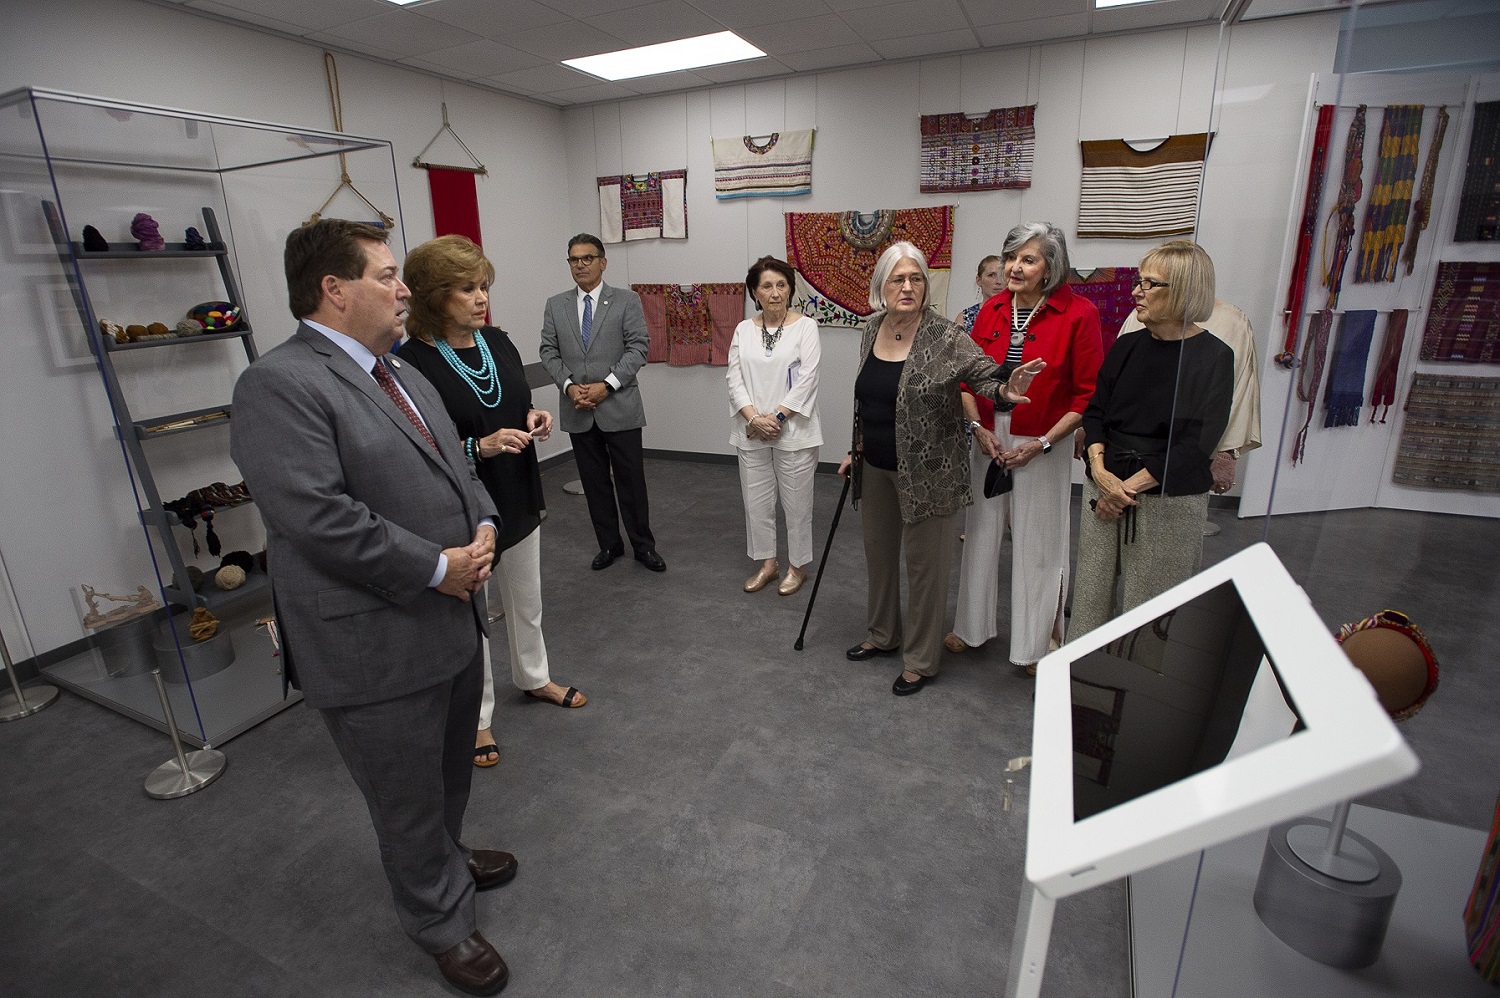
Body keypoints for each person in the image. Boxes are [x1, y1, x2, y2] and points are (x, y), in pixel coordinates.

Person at [230, 220, 515, 996]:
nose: (403, 289)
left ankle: (445, 862)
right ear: (334, 288)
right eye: (388, 275)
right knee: (404, 793)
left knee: (448, 773)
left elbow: (456, 465)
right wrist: (436, 565)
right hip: (373, 644)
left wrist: (484, 525)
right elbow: (315, 516)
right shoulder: (278, 383)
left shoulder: (403, 370)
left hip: (446, 619)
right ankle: (440, 922)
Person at [399, 235, 587, 771]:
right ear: (434, 296)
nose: (481, 298)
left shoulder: (497, 342)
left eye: (483, 286)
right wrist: (477, 446)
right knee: (473, 615)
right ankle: (478, 715)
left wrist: (533, 419)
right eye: (466, 288)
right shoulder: (410, 363)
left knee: (526, 598)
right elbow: (417, 445)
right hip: (460, 504)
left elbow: (516, 401)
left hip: (517, 488)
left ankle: (533, 676)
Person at [837, 242, 1044, 696]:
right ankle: (881, 634)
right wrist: (856, 449)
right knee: (878, 555)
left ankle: (920, 659)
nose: (908, 288)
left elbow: (986, 376)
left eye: (916, 279)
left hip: (931, 473)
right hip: (875, 467)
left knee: (926, 568)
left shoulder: (945, 337)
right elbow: (868, 400)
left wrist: (1008, 389)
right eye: (898, 279)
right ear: (882, 286)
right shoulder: (871, 329)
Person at [945, 223, 1103, 675]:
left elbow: (1087, 395)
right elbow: (965, 379)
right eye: (1011, 256)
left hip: (1044, 441)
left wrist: (1043, 443)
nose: (1014, 266)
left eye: (1027, 259)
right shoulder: (991, 309)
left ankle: (1037, 642)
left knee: (1040, 542)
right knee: (980, 533)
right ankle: (971, 627)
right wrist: (977, 427)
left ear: (1051, 267)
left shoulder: (1080, 313)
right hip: (988, 435)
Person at [1069, 241, 1234, 641]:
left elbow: (1197, 444)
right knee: (1090, 598)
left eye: (1150, 284)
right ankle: (1078, 686)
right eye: (1139, 281)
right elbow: (1096, 412)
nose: (1135, 291)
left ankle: (1138, 698)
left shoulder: (1214, 357)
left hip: (1167, 500)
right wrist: (1099, 470)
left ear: (1182, 292)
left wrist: (1123, 489)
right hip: (1106, 484)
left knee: (1152, 608)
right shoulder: (1127, 345)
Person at [537, 234, 664, 572]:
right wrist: (568, 387)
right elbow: (547, 351)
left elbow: (638, 347)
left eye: (587, 258)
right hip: (577, 409)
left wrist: (607, 385)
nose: (580, 264)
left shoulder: (626, 300)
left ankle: (643, 546)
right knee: (594, 484)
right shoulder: (556, 304)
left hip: (619, 406)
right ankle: (609, 545)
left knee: (631, 482)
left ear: (602, 262)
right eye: (574, 259)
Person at [727, 255, 823, 596]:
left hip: (793, 430)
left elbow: (807, 380)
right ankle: (768, 563)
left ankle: (797, 566)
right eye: (767, 285)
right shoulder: (743, 329)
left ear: (790, 289)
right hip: (751, 429)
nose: (775, 292)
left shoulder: (805, 327)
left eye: (781, 285)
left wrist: (778, 417)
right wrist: (754, 419)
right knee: (757, 501)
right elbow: (734, 379)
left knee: (797, 504)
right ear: (755, 291)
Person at [1114, 294, 1262, 498]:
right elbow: (1115, 382)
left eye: (1151, 281)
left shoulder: (1233, 321)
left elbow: (1240, 389)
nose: (1138, 291)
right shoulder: (1140, 315)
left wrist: (1227, 453)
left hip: (1192, 450)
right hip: (1127, 452)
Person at [953, 254, 1006, 335]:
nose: (998, 281)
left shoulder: (1017, 316)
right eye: (991, 275)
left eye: (1003, 275)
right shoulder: (964, 318)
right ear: (979, 280)